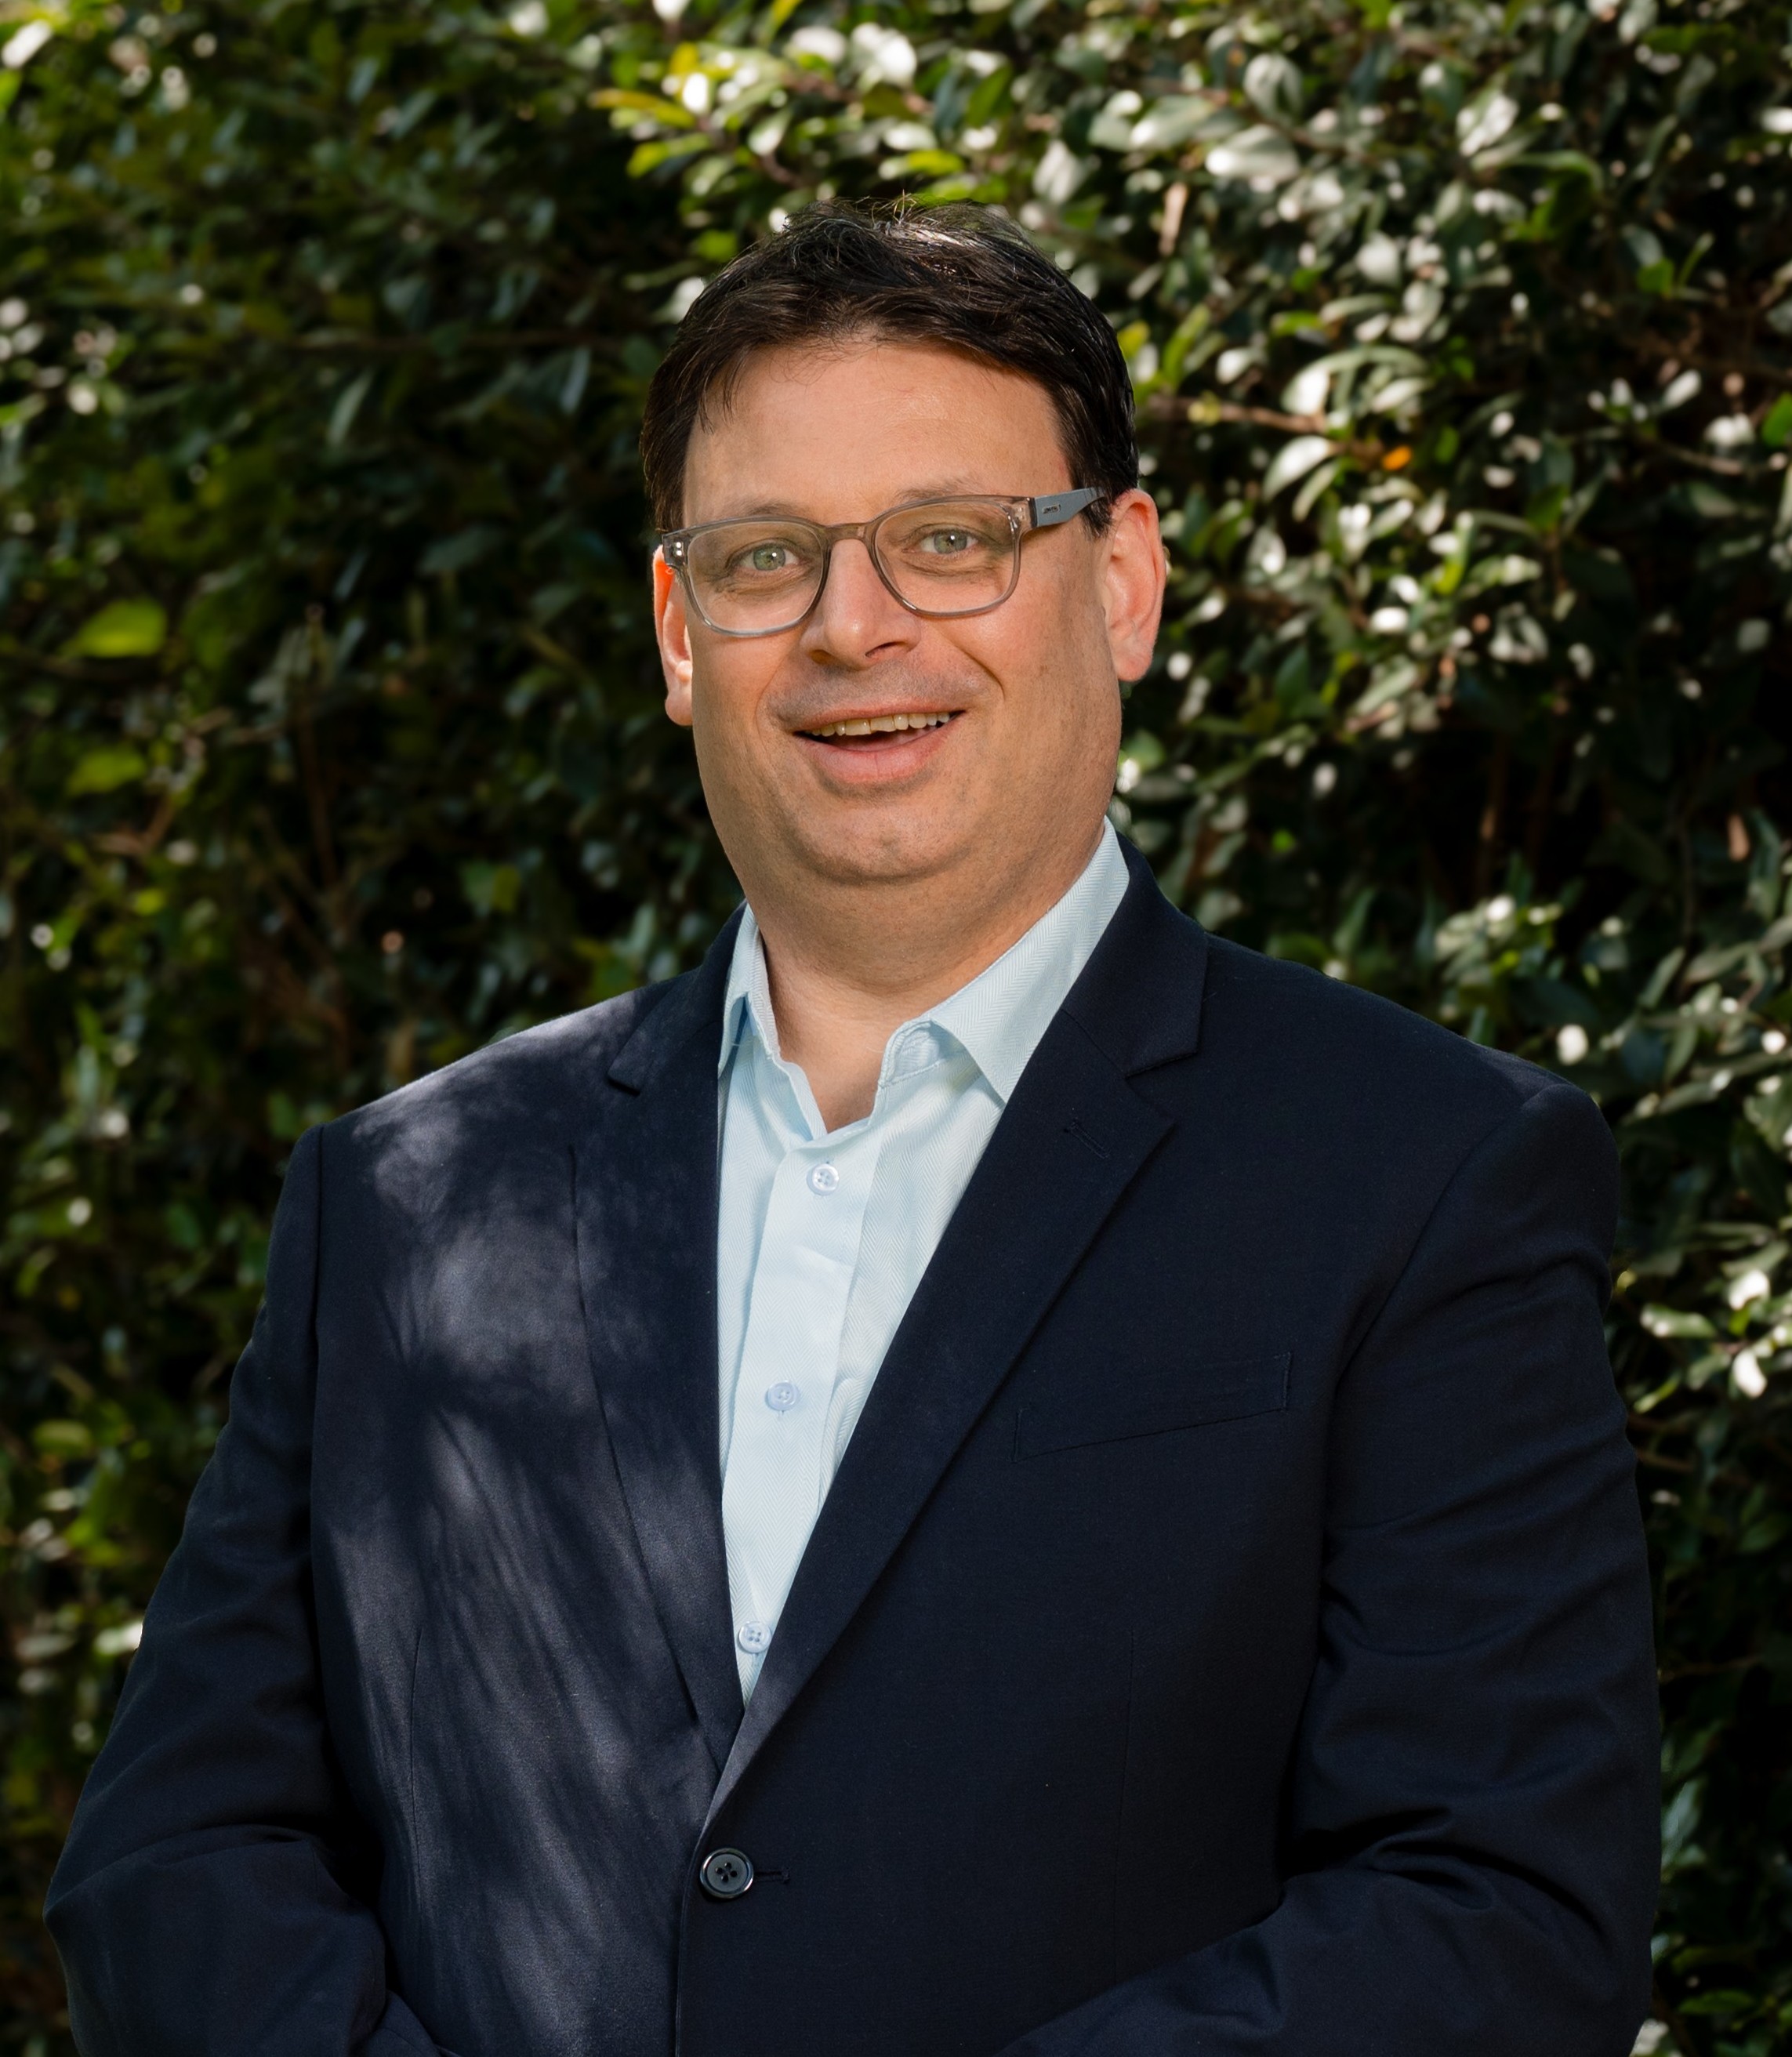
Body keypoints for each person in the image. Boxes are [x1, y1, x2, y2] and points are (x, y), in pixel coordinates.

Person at [46, 203, 1658, 2057]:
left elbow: (1496, 1910)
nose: (853, 623)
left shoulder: (1421, 1175)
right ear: (680, 633)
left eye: (952, 538)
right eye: (765, 557)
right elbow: (176, 1859)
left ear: (1122, 582)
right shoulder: (405, 1201)